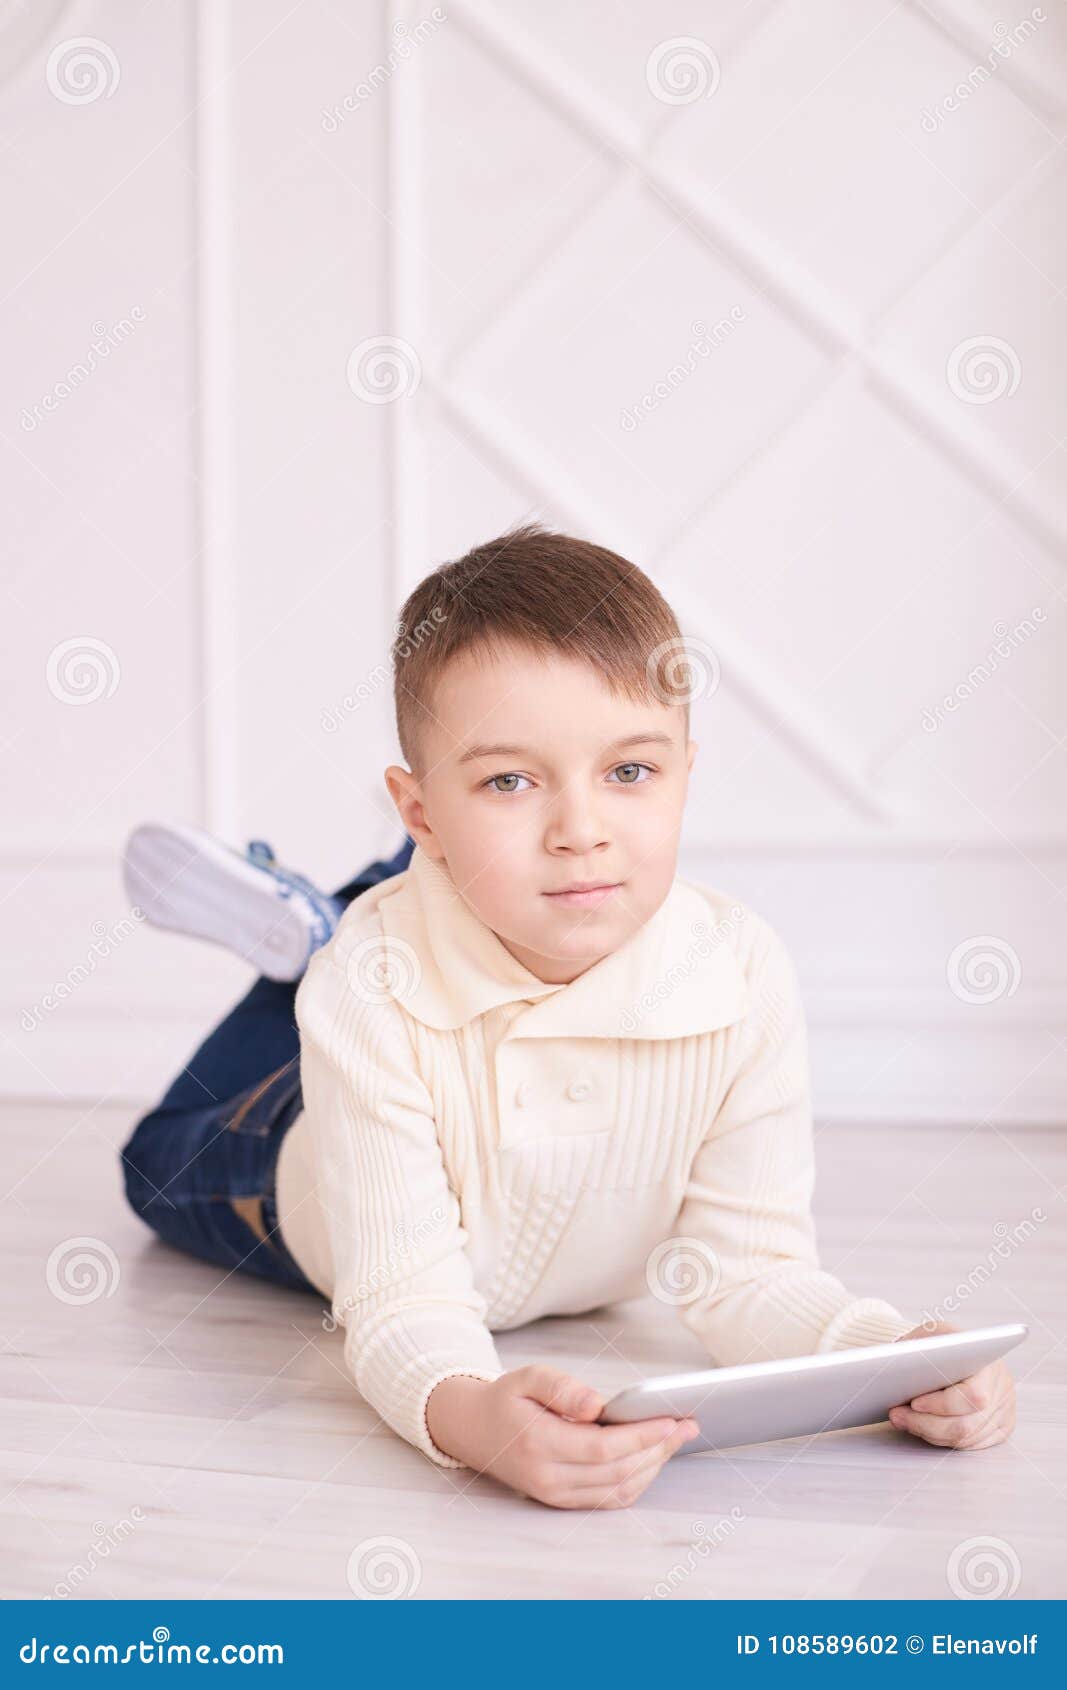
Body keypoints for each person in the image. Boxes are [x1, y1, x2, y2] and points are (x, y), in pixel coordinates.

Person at [120, 522, 1016, 1510]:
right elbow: (401, 1300)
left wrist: (894, 1355)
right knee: (156, 1160)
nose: (580, 831)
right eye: (509, 781)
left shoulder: (739, 969)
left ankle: (370, 897)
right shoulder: (366, 988)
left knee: (412, 924)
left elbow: (747, 1271)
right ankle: (321, 933)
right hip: (286, 1158)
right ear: (416, 811)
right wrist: (472, 1418)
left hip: (430, 952)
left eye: (628, 772)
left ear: (684, 769)